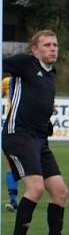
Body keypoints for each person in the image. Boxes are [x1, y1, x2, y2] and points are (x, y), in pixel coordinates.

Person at [2, 30, 69, 235]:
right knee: (36, 188)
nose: (53, 48)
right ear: (35, 50)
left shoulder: (51, 73)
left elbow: (37, 102)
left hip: (40, 140)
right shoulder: (26, 63)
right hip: (18, 137)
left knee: (61, 193)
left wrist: (47, 113)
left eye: (55, 44)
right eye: (47, 45)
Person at [2, 76, 20, 211]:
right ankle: (13, 200)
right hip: (14, 127)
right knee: (11, 164)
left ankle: (14, 199)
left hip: (29, 128)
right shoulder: (7, 81)